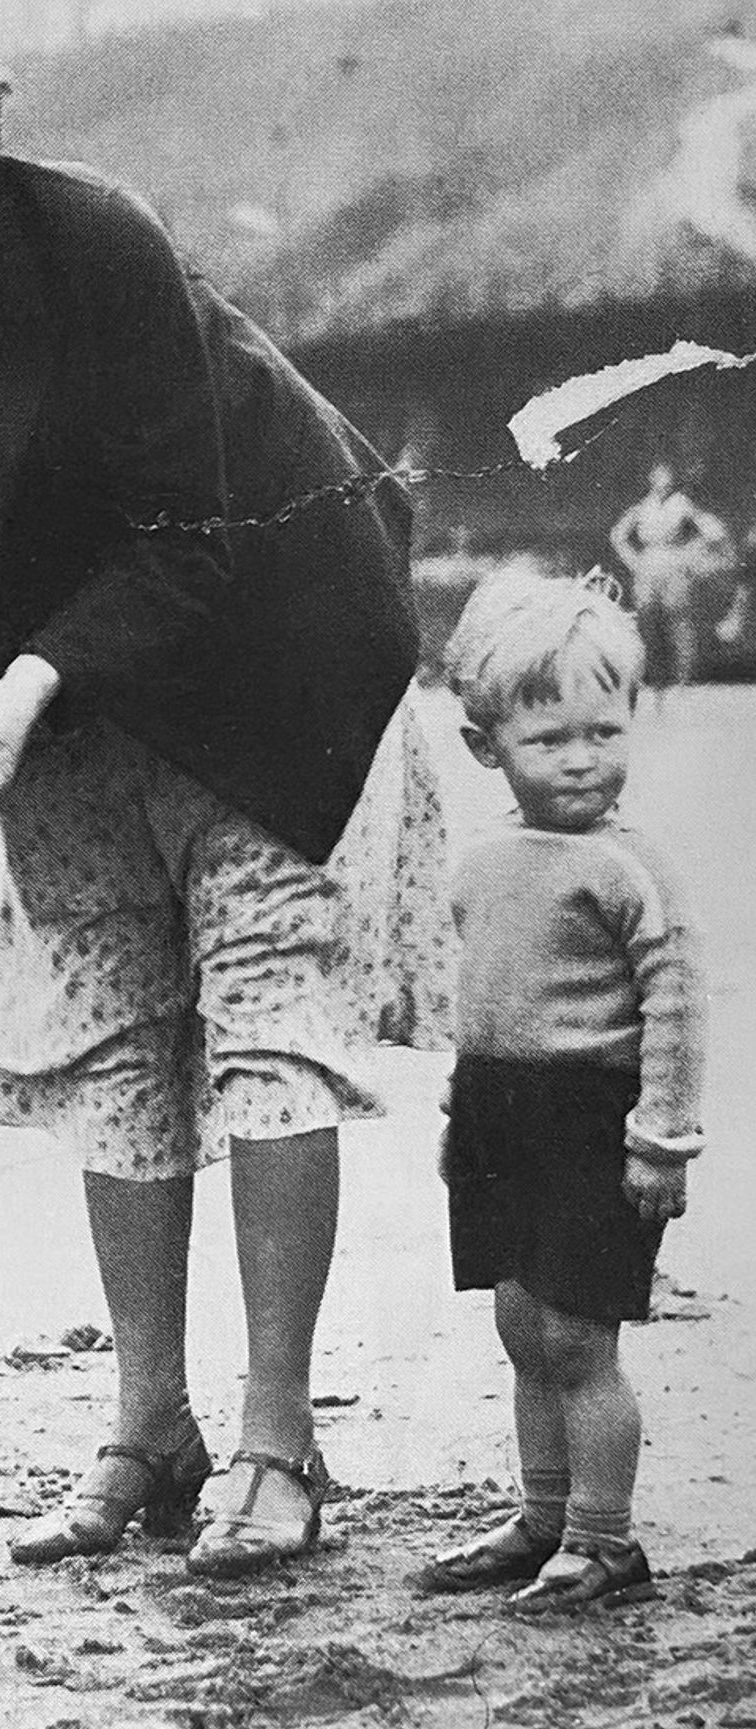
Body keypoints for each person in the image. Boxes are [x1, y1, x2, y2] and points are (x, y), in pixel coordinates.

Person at [0, 3, 449, 1579]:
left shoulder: (91, 239)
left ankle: (274, 1439)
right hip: (49, 677)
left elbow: (184, 532)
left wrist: (32, 689)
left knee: (263, 1014)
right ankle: (149, 1426)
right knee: (114, 1019)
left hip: (270, 642)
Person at [418, 572, 702, 1611]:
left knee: (580, 1338)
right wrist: (458, 1105)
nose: (583, 759)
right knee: (519, 1326)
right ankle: (542, 1515)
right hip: (497, 1118)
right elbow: (476, 983)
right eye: (549, 740)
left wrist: (660, 1140)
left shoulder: (630, 869)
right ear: (484, 744)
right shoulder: (481, 855)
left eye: (603, 730)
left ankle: (603, 1539)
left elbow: (675, 1008)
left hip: (594, 1122)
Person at [607, 462, 733, 690]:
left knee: (678, 619)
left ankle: (683, 677)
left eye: (667, 477)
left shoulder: (682, 504)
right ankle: (653, 676)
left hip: (674, 563)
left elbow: (713, 532)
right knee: (647, 619)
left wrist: (690, 552)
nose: (663, 481)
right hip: (648, 564)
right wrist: (633, 561)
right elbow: (618, 535)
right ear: (651, 479)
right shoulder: (643, 506)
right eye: (658, 476)